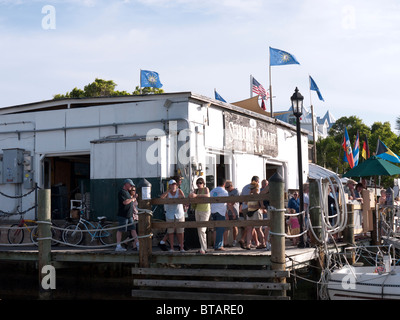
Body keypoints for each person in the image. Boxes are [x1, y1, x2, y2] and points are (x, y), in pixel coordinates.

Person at [160, 179, 186, 252]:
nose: (174, 186)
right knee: (170, 231)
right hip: (170, 214)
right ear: (170, 186)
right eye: (172, 185)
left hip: (179, 213)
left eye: (175, 185)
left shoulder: (179, 191)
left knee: (180, 231)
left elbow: (183, 198)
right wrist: (168, 191)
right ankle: (171, 248)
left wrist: (180, 198)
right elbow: (161, 197)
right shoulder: (167, 193)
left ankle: (181, 247)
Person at [116, 179, 139, 252]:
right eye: (130, 185)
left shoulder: (127, 193)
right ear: (126, 184)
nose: (131, 186)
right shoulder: (122, 192)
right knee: (120, 230)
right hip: (123, 215)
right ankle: (118, 246)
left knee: (133, 230)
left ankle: (138, 244)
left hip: (129, 216)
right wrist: (133, 199)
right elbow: (125, 202)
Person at [189, 177, 210, 254]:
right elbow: (193, 198)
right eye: (197, 183)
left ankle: (203, 248)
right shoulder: (196, 190)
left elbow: (208, 195)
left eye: (200, 183)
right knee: (199, 230)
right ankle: (203, 247)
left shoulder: (206, 189)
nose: (199, 184)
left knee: (202, 229)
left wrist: (197, 196)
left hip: (205, 210)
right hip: (197, 210)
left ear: (203, 183)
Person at [244, 181, 266, 250]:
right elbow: (246, 202)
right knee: (249, 229)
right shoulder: (250, 196)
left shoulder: (258, 195)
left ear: (255, 188)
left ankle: (263, 243)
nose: (251, 190)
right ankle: (248, 244)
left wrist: (256, 206)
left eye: (252, 189)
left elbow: (261, 206)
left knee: (258, 229)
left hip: (256, 212)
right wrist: (249, 195)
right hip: (250, 212)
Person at [239, 176, 260, 248]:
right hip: (250, 208)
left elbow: (241, 197)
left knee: (250, 226)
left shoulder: (245, 187)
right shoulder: (255, 189)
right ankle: (245, 240)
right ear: (256, 181)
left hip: (245, 208)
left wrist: (241, 207)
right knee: (251, 227)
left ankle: (253, 242)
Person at [210, 177, 228, 251]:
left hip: (213, 210)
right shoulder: (224, 192)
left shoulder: (212, 191)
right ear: (224, 184)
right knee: (220, 229)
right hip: (221, 211)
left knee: (215, 229)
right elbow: (226, 202)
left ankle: (216, 244)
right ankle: (218, 246)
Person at [224, 180, 239, 247]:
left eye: (227, 187)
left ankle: (234, 240)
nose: (226, 189)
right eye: (225, 187)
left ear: (231, 186)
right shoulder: (226, 192)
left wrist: (229, 206)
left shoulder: (235, 191)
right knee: (226, 227)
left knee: (234, 226)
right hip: (227, 211)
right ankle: (225, 242)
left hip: (235, 211)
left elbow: (234, 201)